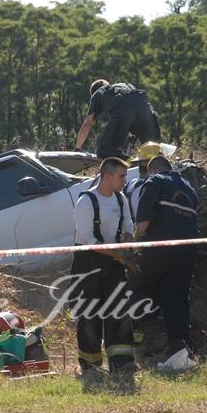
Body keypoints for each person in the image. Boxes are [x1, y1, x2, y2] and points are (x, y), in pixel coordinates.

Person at [130, 154, 199, 364]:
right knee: (176, 296)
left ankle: (146, 339)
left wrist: (133, 245)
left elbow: (142, 222)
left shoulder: (154, 182)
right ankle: (180, 347)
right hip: (187, 251)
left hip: (159, 247)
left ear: (152, 170)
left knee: (137, 286)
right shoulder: (190, 189)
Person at [70, 157, 136, 376]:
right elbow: (87, 239)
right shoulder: (86, 202)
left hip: (115, 264)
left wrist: (126, 244)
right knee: (90, 314)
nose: (125, 180)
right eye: (122, 176)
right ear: (107, 177)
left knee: (118, 310)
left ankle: (122, 362)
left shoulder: (121, 199)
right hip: (88, 264)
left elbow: (128, 226)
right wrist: (118, 254)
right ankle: (90, 366)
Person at [74, 79, 160, 159]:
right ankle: (158, 162)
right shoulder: (125, 85)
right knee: (150, 148)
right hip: (145, 107)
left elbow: (87, 125)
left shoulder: (98, 93)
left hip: (123, 108)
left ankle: (128, 162)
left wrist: (77, 148)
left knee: (104, 150)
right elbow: (134, 107)